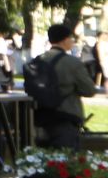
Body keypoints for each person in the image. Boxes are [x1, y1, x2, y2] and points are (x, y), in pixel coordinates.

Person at [26, 22, 97, 150]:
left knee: (43, 160)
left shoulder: (36, 60)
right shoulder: (72, 63)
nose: (73, 41)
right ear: (65, 40)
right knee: (66, 162)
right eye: (71, 38)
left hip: (40, 116)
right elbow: (89, 90)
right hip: (66, 116)